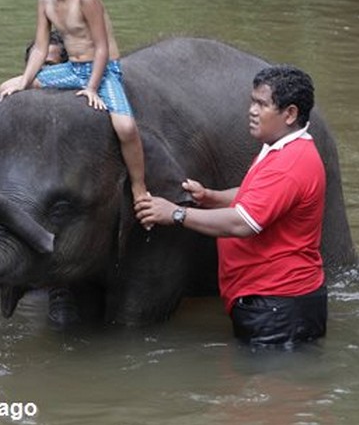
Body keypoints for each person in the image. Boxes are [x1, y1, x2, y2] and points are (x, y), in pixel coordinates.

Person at [134, 65, 328, 348]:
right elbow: (259, 195)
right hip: (272, 300)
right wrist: (211, 197)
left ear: (290, 114)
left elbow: (242, 223)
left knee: (273, 389)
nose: (251, 110)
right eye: (252, 101)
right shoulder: (280, 148)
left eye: (262, 104)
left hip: (279, 306)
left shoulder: (290, 163)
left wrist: (175, 213)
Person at [0, 0, 149, 201]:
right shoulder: (45, 2)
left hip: (101, 72)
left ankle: (139, 187)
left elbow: (102, 47)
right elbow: (40, 48)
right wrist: (25, 81)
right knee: (6, 87)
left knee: (125, 127)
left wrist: (92, 87)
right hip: (70, 70)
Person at [0, 32, 68, 155]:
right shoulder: (1, 97)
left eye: (49, 65)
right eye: (35, 63)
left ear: (65, 70)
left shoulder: (78, 98)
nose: (40, 69)